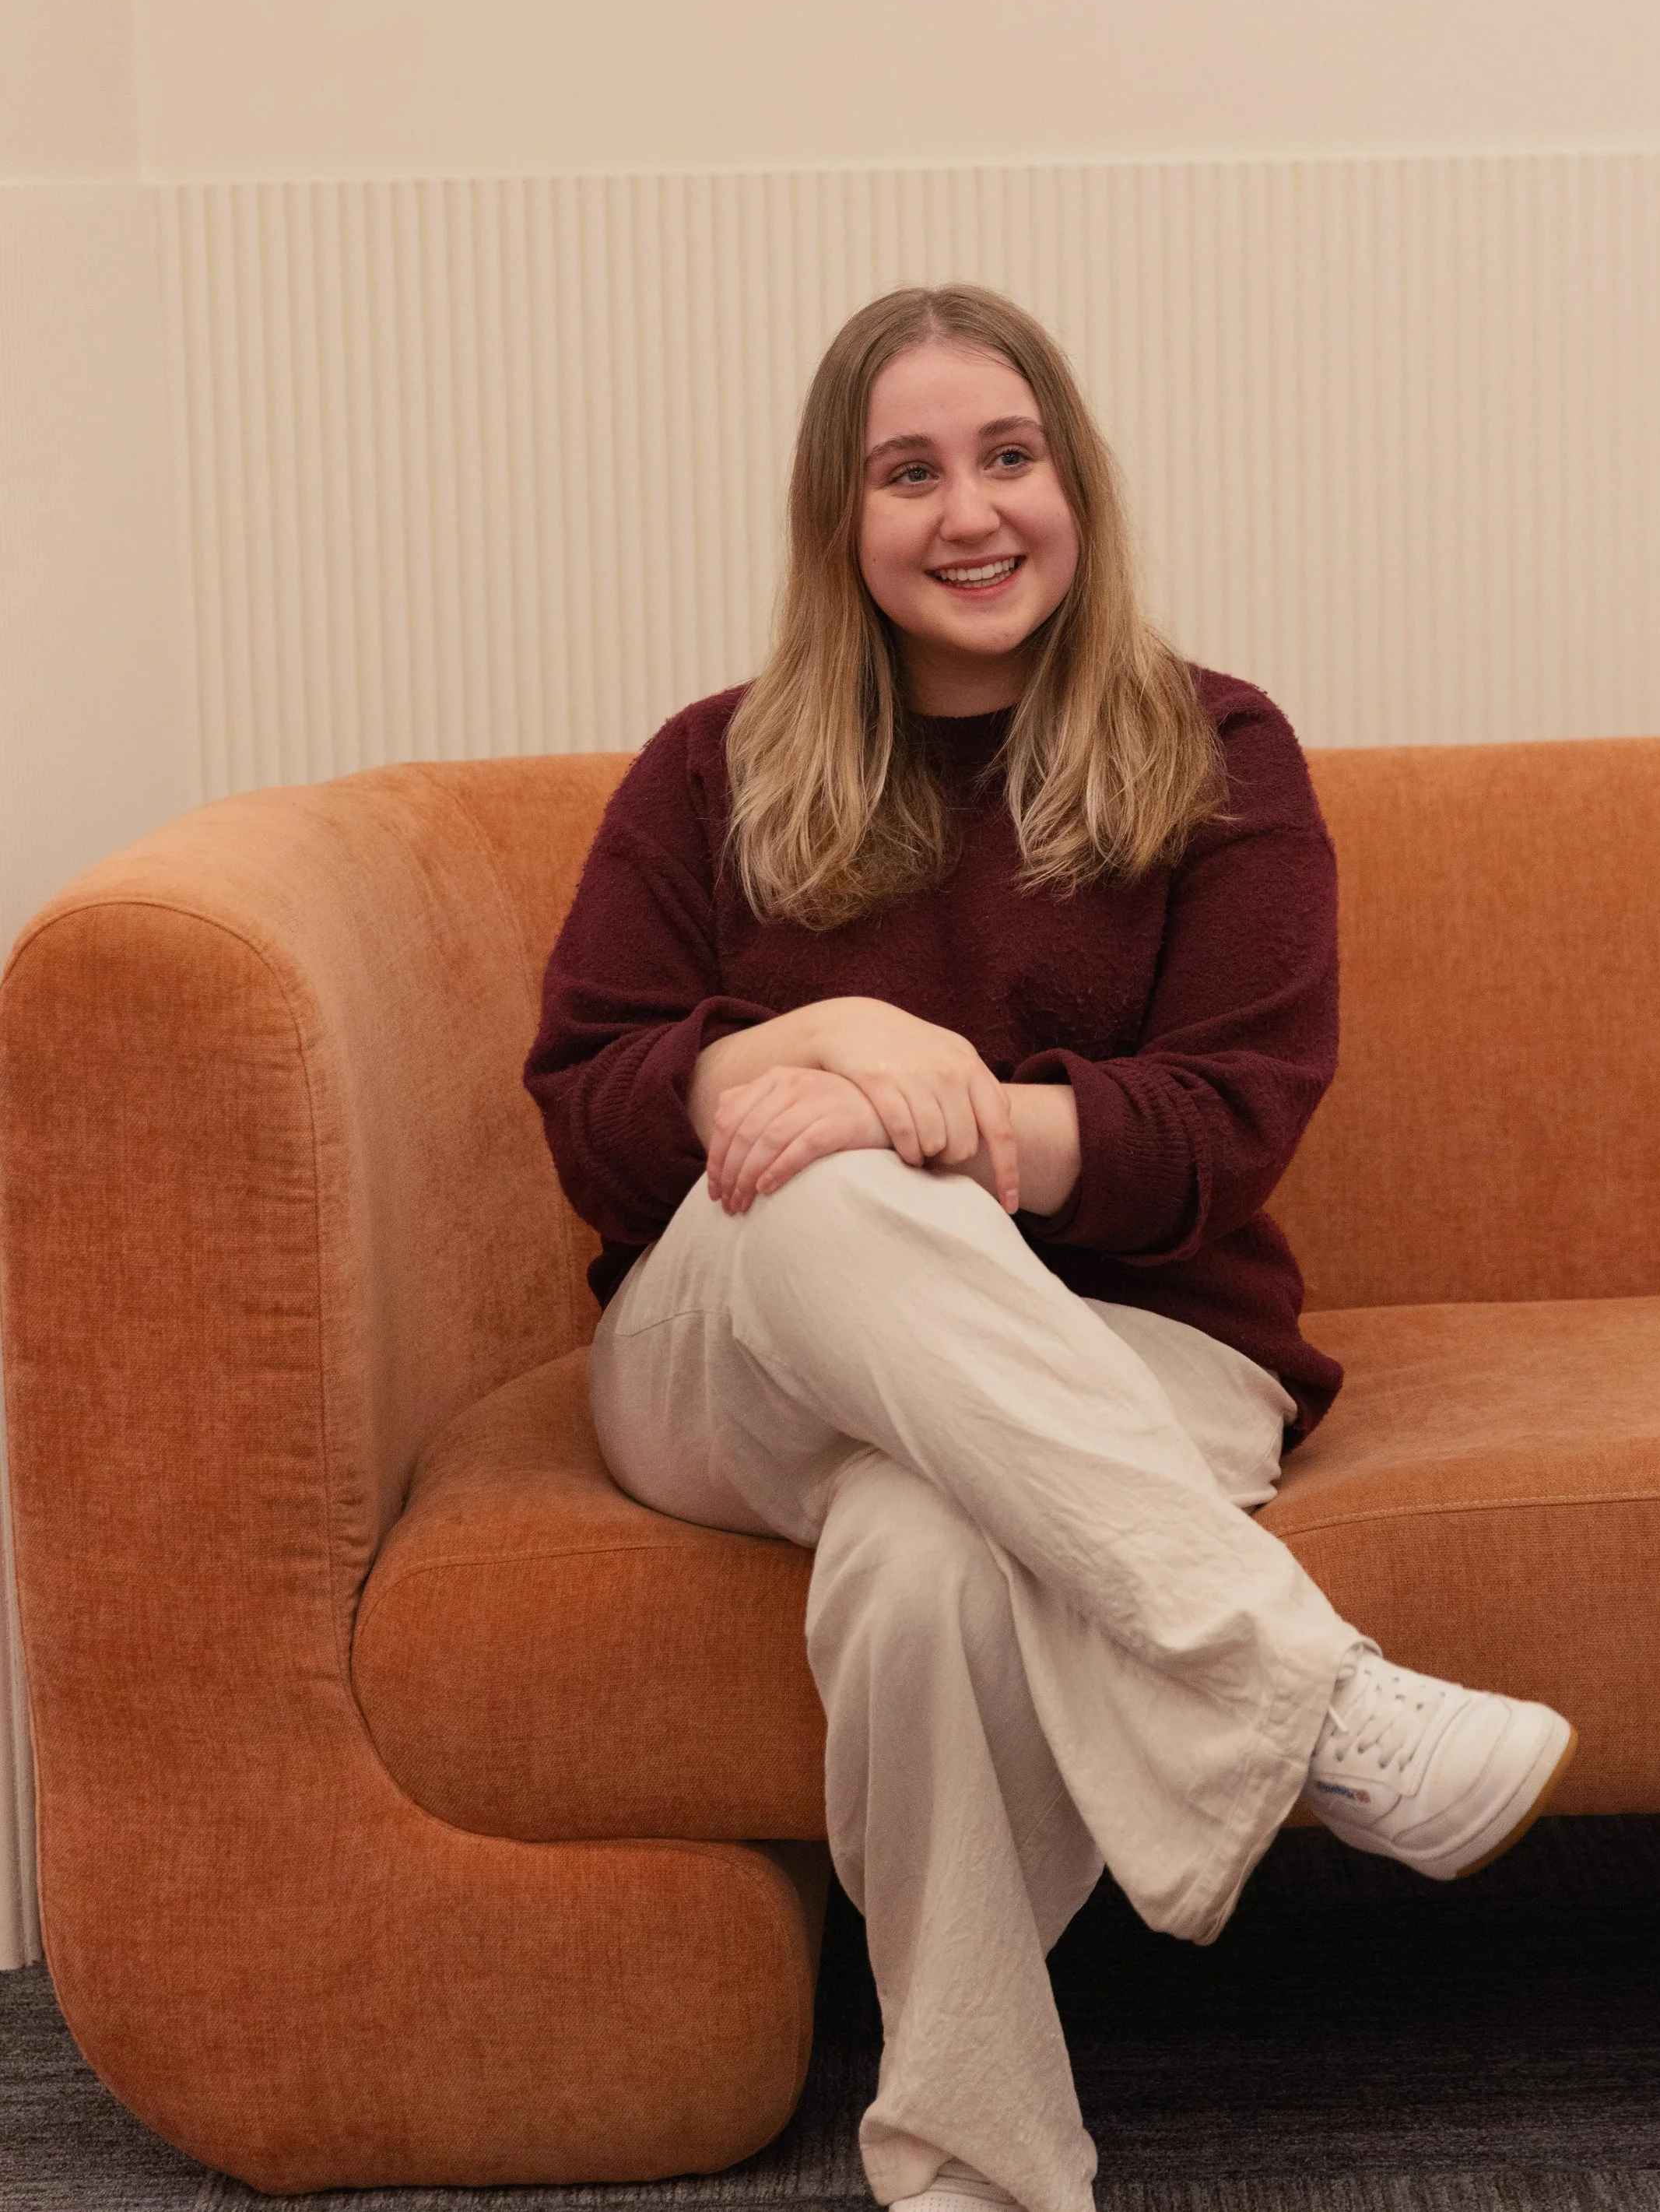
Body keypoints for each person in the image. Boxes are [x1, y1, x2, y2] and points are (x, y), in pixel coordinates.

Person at [525, 285, 1574, 2212]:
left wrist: (944, 1113)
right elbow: (591, 1109)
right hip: (732, 1356)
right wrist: (813, 1049)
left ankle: (965, 2167)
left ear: (1071, 480)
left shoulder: (1217, 748)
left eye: (1005, 456)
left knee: (922, 1551)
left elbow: (1226, 1118)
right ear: (837, 523)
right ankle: (1302, 1691)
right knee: (827, 1191)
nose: (967, 510)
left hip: (1137, 1340)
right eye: (906, 471)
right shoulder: (710, 767)